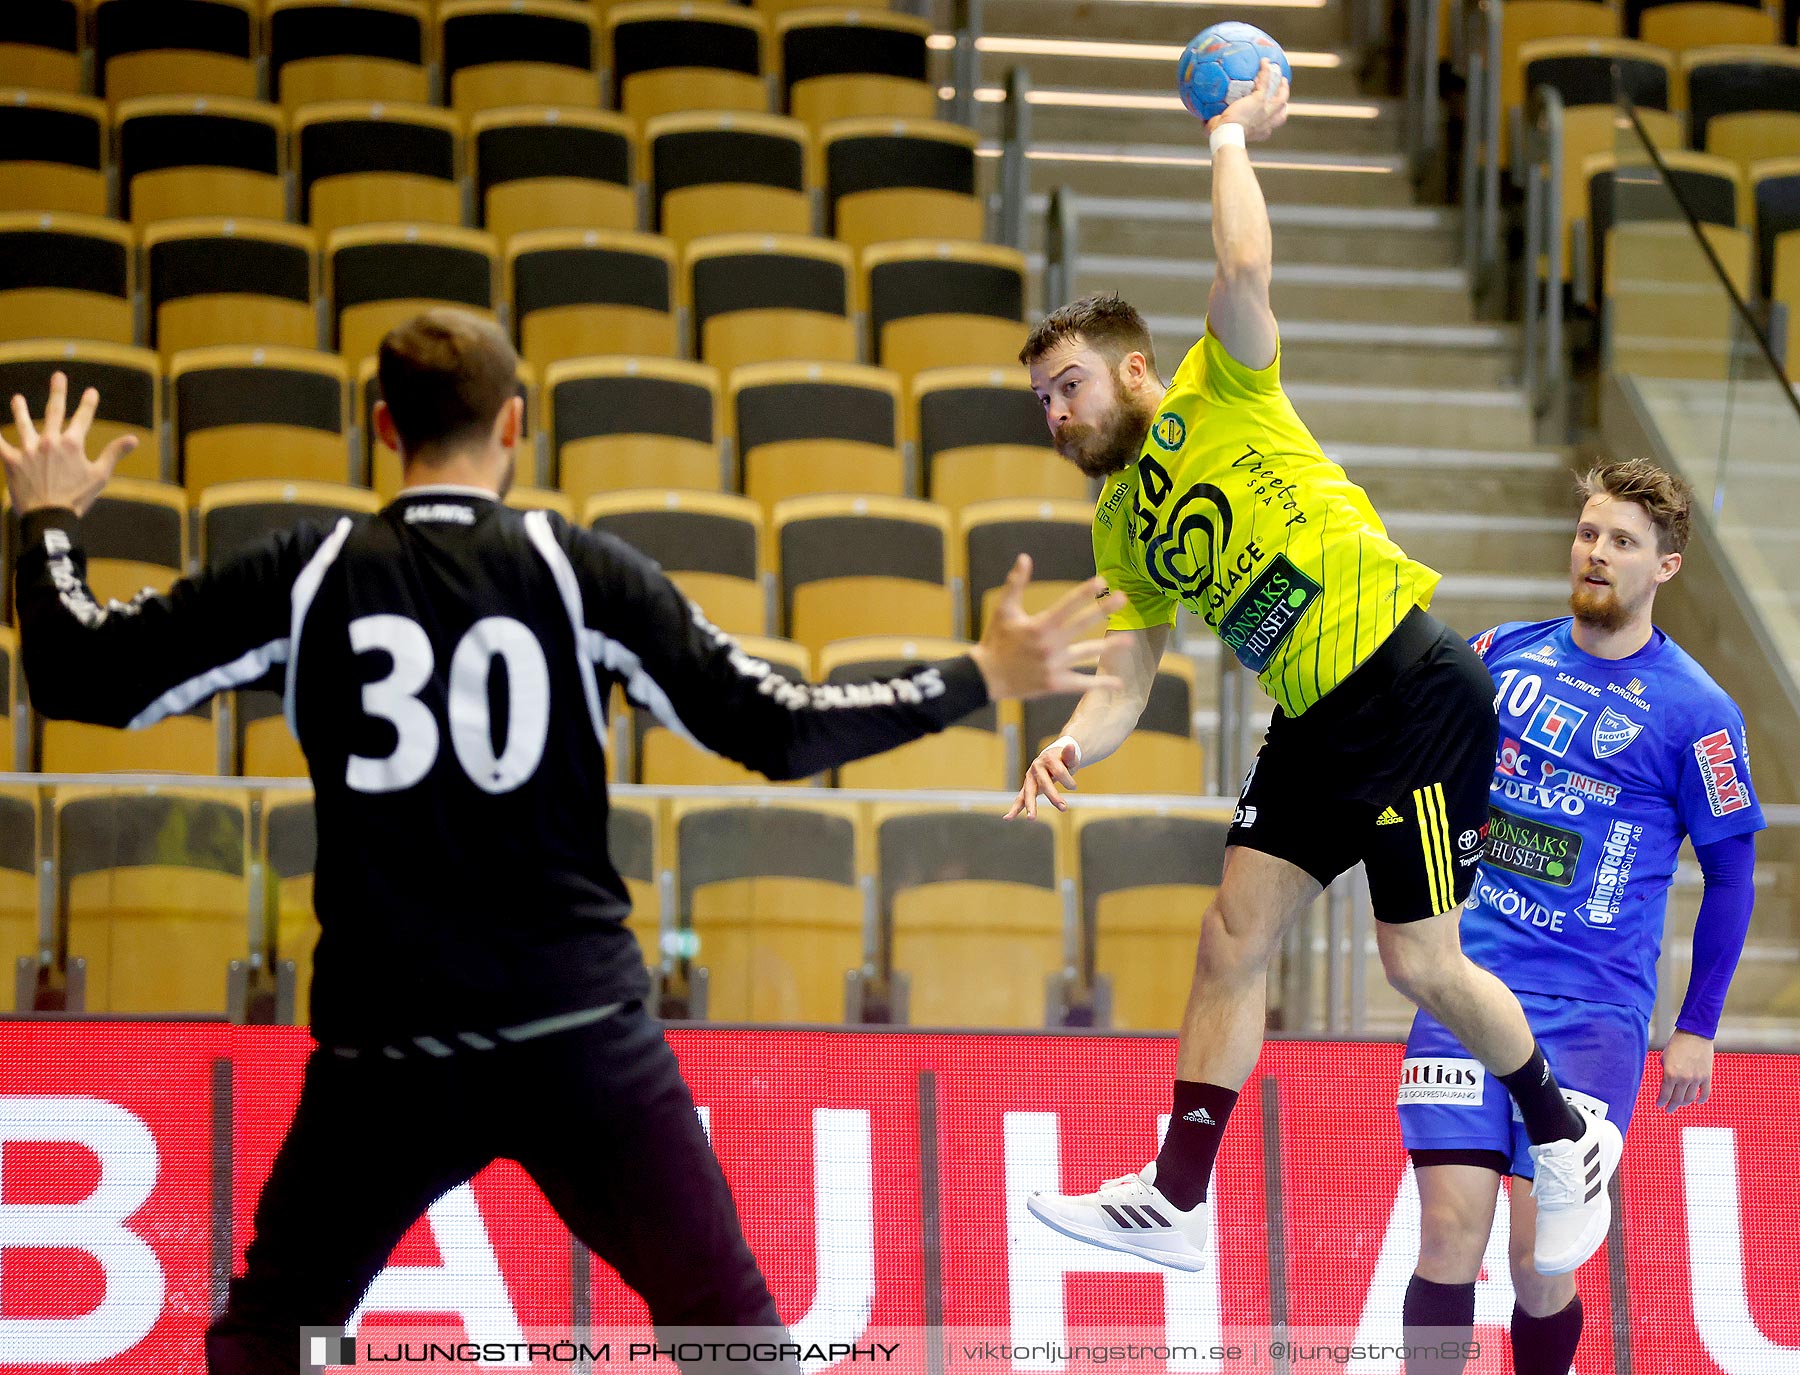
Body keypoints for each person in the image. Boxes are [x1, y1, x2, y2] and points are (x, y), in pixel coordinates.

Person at [3, 310, 1122, 1375]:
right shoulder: (580, 570)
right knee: (729, 1330)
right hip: (578, 1039)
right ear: (516, 426)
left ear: (383, 428)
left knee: (267, 1336)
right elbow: (778, 728)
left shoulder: (306, 571)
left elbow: (78, 671)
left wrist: (48, 517)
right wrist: (975, 676)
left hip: (389, 1055)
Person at [1012, 61, 1621, 1279]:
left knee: (1420, 960)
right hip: (1312, 716)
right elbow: (1134, 671)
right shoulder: (1121, 526)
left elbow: (1242, 268)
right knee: (1231, 933)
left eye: (1067, 386)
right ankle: (1181, 1197)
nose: (1055, 414)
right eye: (1040, 400)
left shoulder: (1218, 387)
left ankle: (1565, 1132)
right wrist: (1077, 734)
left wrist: (1229, 134)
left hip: (1410, 683)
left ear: (1132, 371)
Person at [1396, 460, 1763, 1375]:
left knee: (1535, 1259)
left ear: (1665, 567)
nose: (1597, 553)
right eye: (1589, 534)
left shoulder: (1701, 714)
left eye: (1624, 542)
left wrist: (1697, 1026)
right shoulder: (1498, 655)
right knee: (1447, 1232)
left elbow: (1732, 875)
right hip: (1467, 985)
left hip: (1591, 1014)